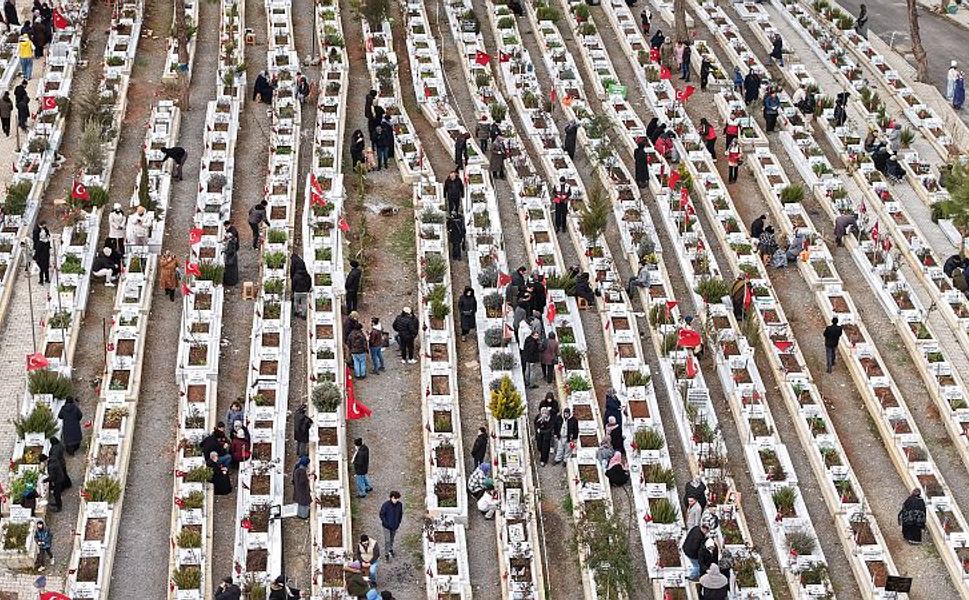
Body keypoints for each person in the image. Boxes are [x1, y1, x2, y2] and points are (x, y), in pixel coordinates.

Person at [379, 490, 403, 561]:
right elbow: (381, 515)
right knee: (387, 540)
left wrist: (398, 522)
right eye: (396, 498)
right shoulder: (385, 505)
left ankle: (390, 549)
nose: (397, 500)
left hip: (395, 526)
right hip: (386, 527)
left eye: (398, 498)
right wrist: (386, 523)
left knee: (392, 539)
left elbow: (400, 514)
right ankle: (386, 554)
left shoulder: (399, 504)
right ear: (392, 497)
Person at [31, 220, 50, 284]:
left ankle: (44, 280)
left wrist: (35, 257)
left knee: (43, 268)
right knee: (43, 268)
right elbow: (35, 239)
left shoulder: (44, 243)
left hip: (43, 256)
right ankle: (44, 279)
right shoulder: (43, 242)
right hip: (43, 256)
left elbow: (37, 251)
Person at [293, 455, 311, 519]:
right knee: (304, 504)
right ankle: (304, 516)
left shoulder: (297, 469)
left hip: (298, 489)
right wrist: (308, 478)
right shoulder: (302, 471)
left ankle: (300, 514)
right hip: (302, 491)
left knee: (300, 503)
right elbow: (303, 482)